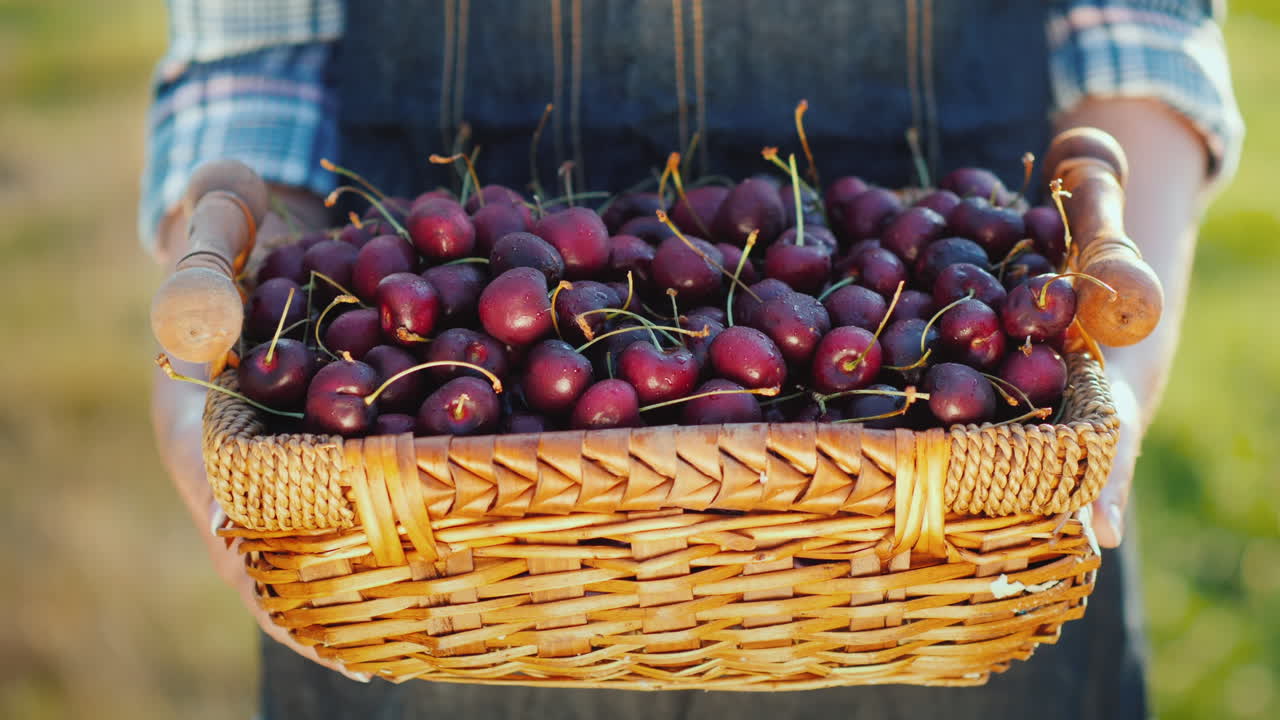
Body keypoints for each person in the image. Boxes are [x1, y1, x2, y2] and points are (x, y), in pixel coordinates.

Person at [145, 1, 1242, 718]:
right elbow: (256, 60)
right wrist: (203, 383)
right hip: (429, 564)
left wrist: (1115, 387)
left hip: (941, 564)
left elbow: (1132, 27)